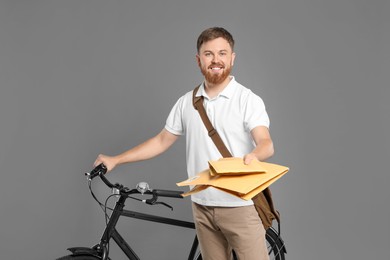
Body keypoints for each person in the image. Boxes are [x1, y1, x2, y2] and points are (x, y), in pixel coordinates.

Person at [94, 27, 273, 260]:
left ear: (232, 58)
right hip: (201, 206)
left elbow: (266, 143)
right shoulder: (186, 103)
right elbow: (160, 141)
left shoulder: (247, 99)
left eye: (222, 53)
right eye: (208, 54)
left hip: (239, 206)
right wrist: (116, 159)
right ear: (198, 60)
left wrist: (255, 155)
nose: (216, 60)